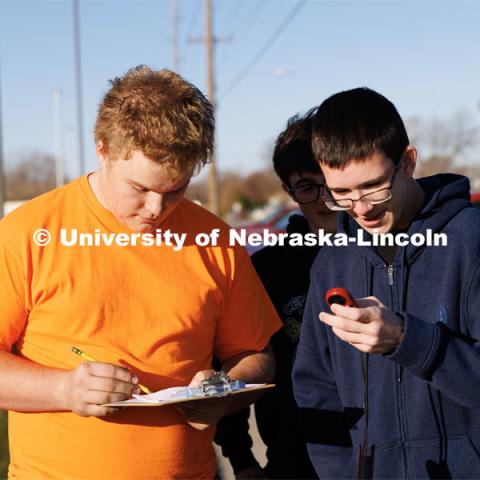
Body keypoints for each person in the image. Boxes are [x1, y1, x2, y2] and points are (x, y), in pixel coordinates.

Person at [0, 65, 281, 479]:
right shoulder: (28, 233)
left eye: (176, 190)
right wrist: (64, 388)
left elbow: (256, 356)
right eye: (140, 188)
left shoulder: (214, 240)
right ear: (102, 150)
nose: (156, 208)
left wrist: (224, 391)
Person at [292, 87, 480, 479]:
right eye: (341, 194)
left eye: (375, 187)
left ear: (407, 162)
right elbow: (315, 388)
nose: (361, 208)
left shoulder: (470, 241)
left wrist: (405, 340)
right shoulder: (331, 262)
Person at [215, 109, 337, 478]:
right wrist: (242, 459)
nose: (323, 197)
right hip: (293, 460)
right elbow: (234, 359)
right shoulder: (267, 269)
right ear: (289, 190)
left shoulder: (387, 256)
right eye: (306, 185)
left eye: (331, 181)